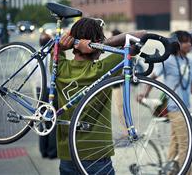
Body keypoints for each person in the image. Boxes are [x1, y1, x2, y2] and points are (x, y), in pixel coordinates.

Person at [55, 17, 146, 174]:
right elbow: (141, 36)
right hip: (97, 157)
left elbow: (56, 48)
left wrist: (74, 41)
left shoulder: (60, 67)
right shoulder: (103, 69)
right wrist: (98, 44)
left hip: (67, 156)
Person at [137, 30, 192, 175]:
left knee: (176, 143)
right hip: (174, 108)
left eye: (190, 41)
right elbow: (153, 77)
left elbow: (191, 86)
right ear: (177, 43)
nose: (189, 44)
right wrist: (143, 94)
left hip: (186, 108)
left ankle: (170, 171)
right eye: (185, 41)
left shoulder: (190, 62)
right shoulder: (168, 60)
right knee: (186, 144)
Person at [38, 32, 57, 159]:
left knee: (41, 119)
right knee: (53, 121)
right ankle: (52, 151)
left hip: (40, 90)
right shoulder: (53, 55)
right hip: (51, 90)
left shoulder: (36, 54)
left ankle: (43, 150)